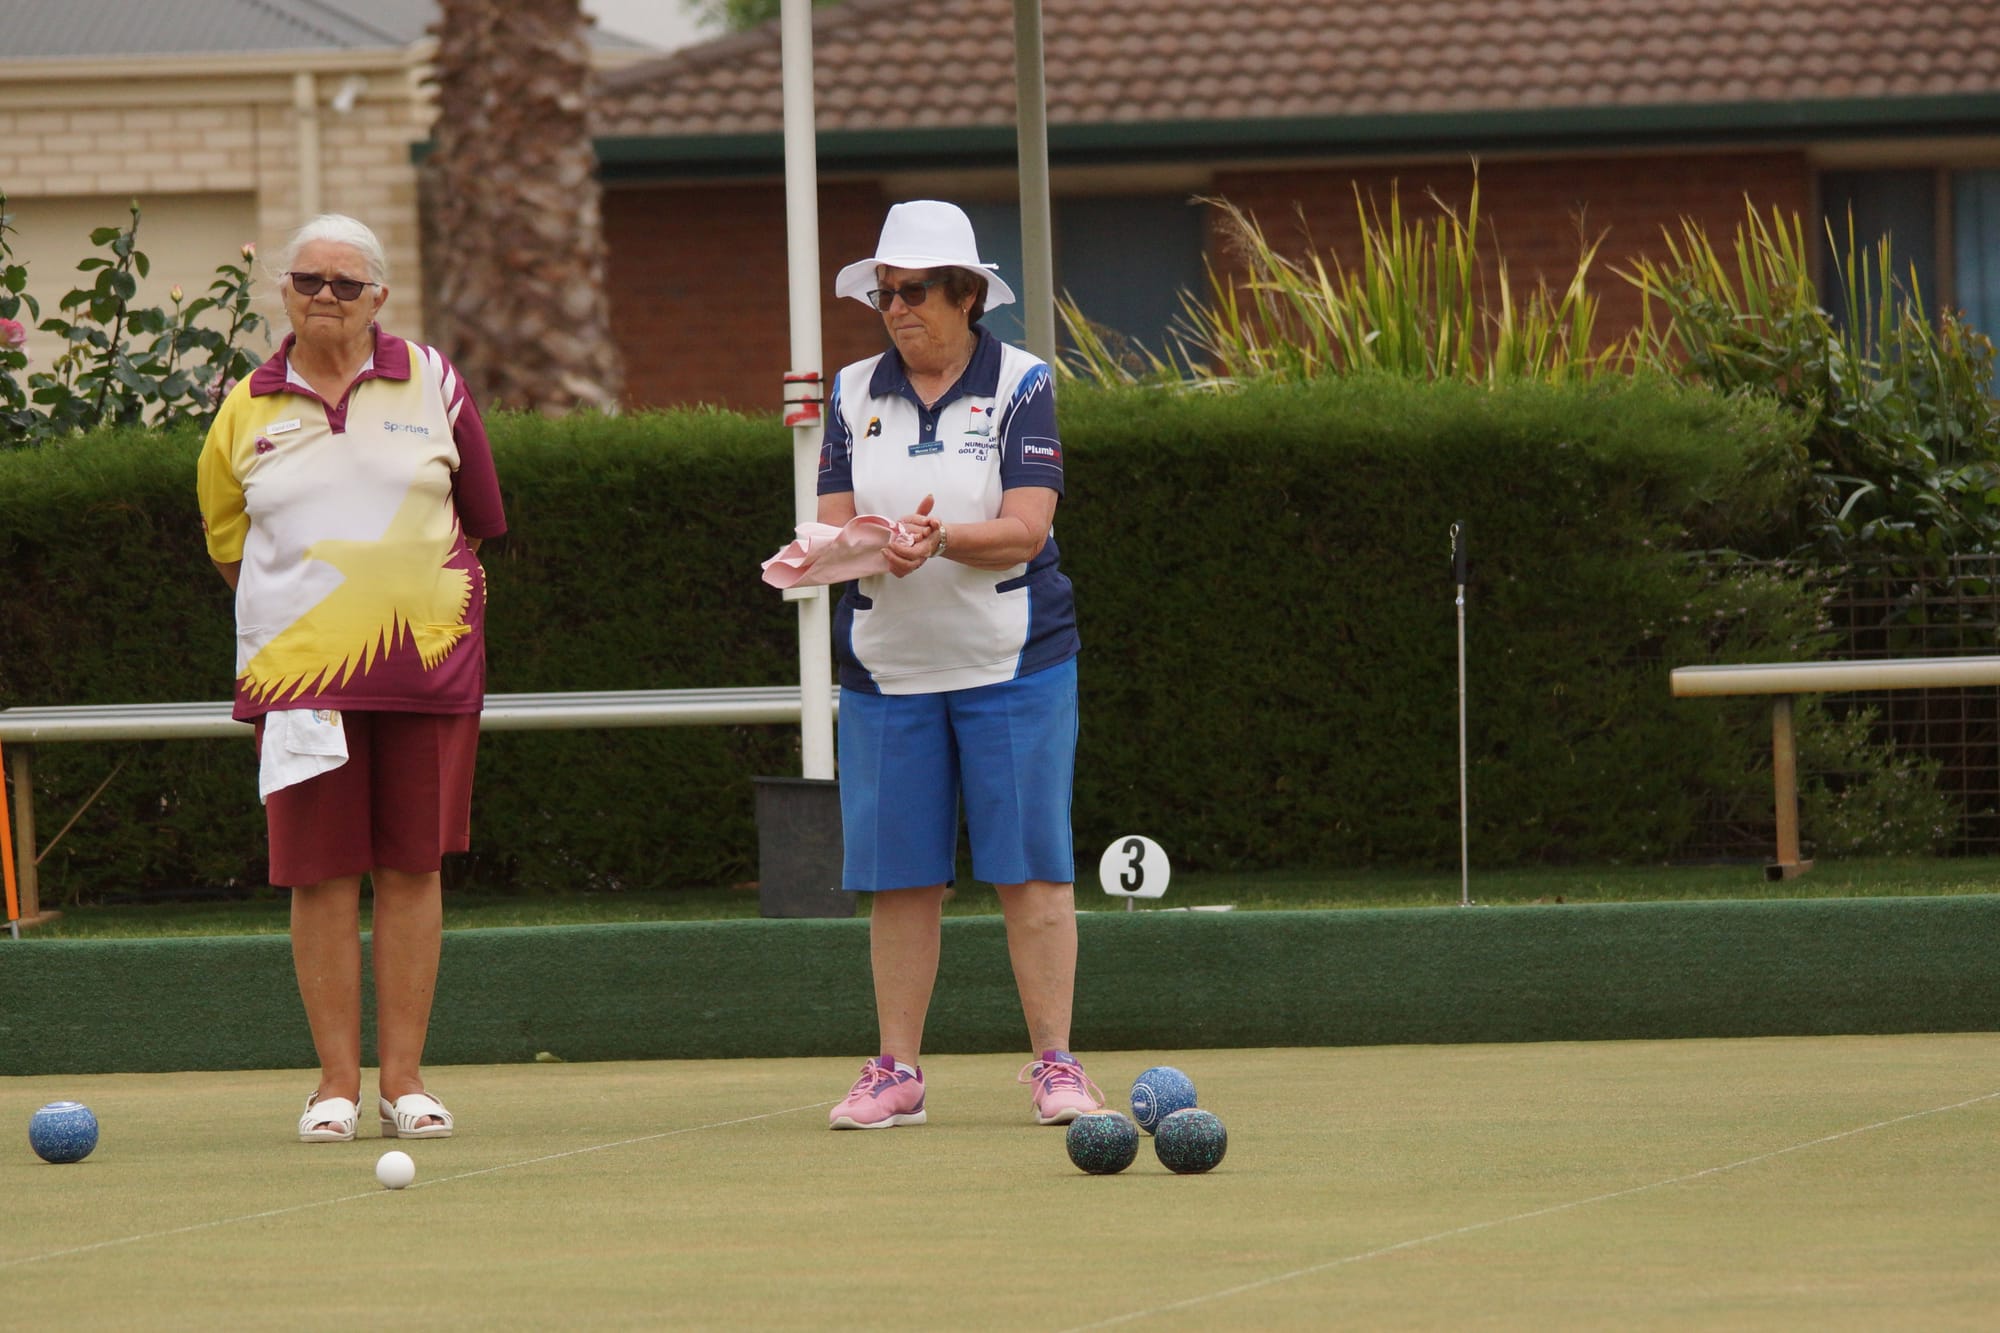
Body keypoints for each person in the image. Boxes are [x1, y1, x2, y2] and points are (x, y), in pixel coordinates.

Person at [196, 214, 506, 1143]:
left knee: (413, 868)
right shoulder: (244, 405)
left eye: (343, 283)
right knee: (320, 878)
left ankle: (405, 1082)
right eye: (306, 282)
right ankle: (334, 1083)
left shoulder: (434, 378)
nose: (323, 297)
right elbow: (228, 545)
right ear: (284, 293)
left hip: (427, 675)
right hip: (302, 686)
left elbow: (481, 514)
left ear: (379, 297)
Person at [817, 200, 1098, 1130]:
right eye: (884, 293)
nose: (896, 308)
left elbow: (1026, 528)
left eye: (915, 291)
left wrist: (935, 541)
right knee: (899, 876)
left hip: (1012, 660)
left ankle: (1056, 1063)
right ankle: (895, 1070)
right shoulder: (851, 390)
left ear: (968, 296)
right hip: (887, 668)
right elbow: (832, 525)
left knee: (1031, 869)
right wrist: (866, 546)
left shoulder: (1022, 382)